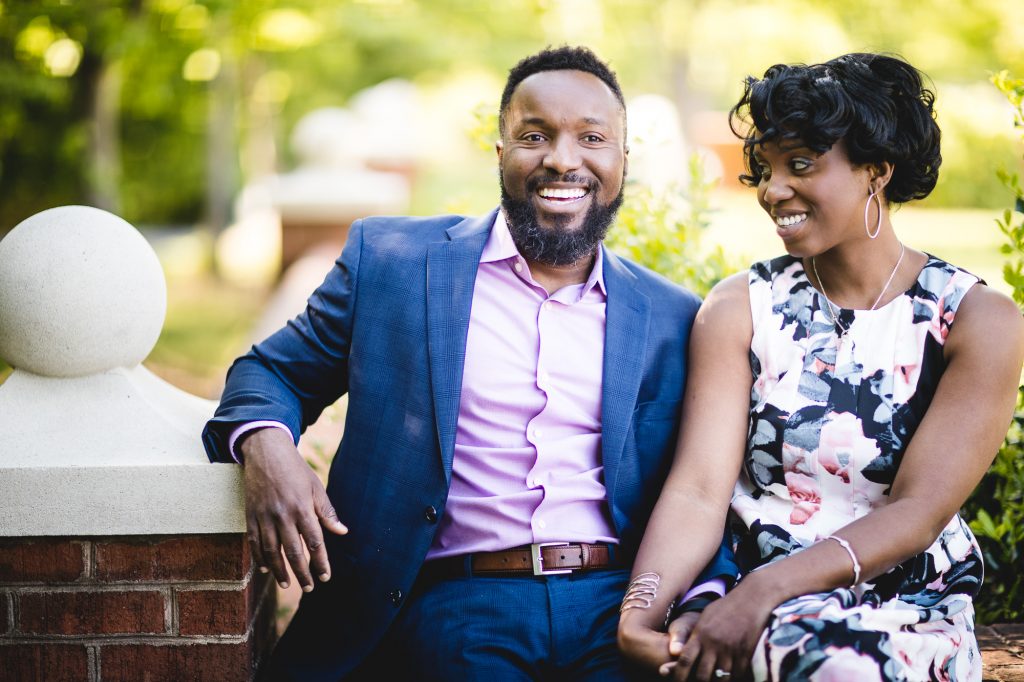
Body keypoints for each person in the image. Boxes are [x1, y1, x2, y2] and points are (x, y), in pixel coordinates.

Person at [203, 45, 736, 681]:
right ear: (501, 152)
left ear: (622, 159)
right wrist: (267, 448)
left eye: (592, 138)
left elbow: (704, 484)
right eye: (535, 135)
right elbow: (270, 372)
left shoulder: (675, 314)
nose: (563, 159)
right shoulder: (393, 264)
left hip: (616, 607)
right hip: (459, 605)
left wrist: (697, 599)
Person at [617, 52, 1024, 682]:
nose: (772, 190)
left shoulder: (975, 320)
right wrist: (643, 608)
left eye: (800, 165)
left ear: (876, 172)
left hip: (901, 603)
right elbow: (699, 488)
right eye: (767, 168)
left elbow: (917, 513)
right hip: (744, 595)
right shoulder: (742, 306)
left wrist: (766, 593)